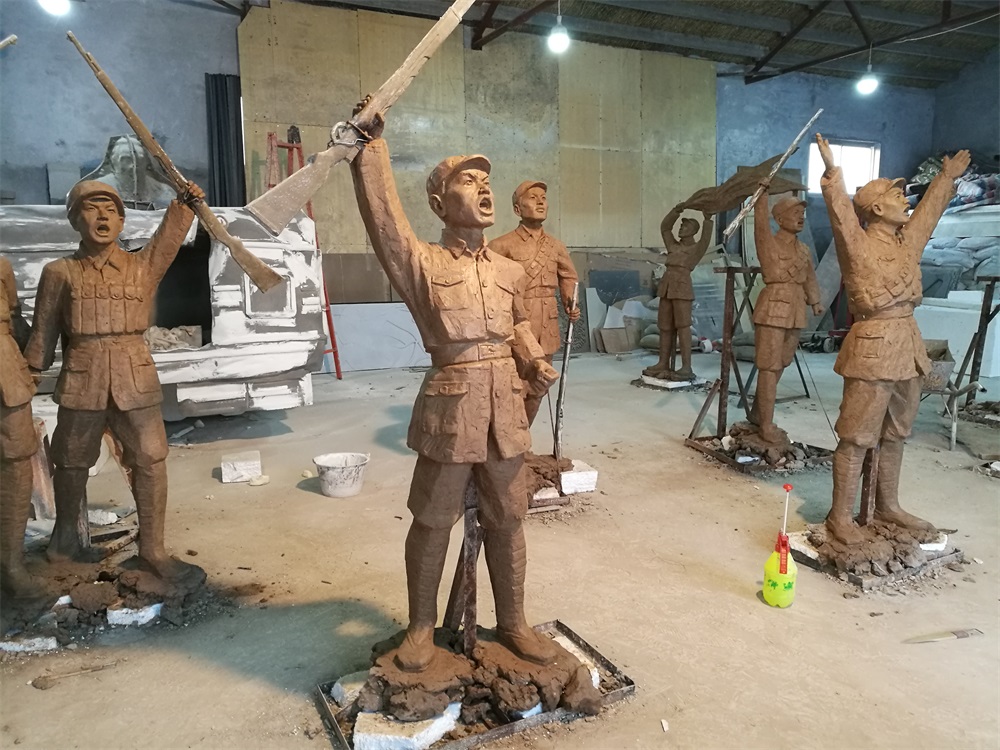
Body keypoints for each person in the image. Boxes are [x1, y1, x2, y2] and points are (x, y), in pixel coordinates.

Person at [350, 102, 559, 672]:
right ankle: (421, 627)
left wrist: (533, 358)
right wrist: (370, 151)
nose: (483, 188)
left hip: (505, 407)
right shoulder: (422, 263)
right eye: (468, 181)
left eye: (486, 181)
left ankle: (514, 623)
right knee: (433, 518)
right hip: (452, 406)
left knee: (509, 518)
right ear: (440, 204)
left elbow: (517, 324)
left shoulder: (508, 269)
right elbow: (386, 222)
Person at [24, 179, 207, 586]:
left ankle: (153, 550)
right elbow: (43, 335)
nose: (103, 216)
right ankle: (64, 544)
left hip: (134, 378)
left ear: (122, 221)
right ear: (75, 220)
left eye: (111, 210)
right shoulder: (59, 273)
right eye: (91, 209)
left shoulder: (141, 267)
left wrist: (184, 205)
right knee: (71, 462)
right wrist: (24, 380)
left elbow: (166, 242)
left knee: (150, 459)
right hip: (82, 379)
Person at [816, 133, 970, 545]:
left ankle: (888, 505)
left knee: (897, 431)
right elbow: (842, 219)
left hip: (907, 344)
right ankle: (840, 517)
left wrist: (946, 178)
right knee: (857, 435)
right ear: (877, 208)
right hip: (873, 345)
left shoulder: (906, 245)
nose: (906, 200)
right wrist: (832, 172)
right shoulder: (859, 246)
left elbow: (928, 215)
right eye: (897, 195)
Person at [490, 180, 579, 424]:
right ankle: (507, 436)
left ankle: (523, 435)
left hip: (547, 324)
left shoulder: (556, 246)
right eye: (532, 197)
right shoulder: (501, 245)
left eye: (543, 198)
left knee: (540, 385)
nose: (540, 202)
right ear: (517, 209)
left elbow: (568, 277)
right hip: (516, 323)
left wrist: (570, 302)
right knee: (514, 383)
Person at [749, 187, 822, 443]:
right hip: (773, 307)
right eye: (795, 213)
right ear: (779, 219)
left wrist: (815, 300)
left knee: (782, 362)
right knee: (768, 366)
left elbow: (809, 276)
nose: (801, 217)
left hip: (795, 308)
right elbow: (760, 225)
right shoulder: (769, 242)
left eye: (802, 213)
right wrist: (761, 196)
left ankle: (757, 413)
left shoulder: (803, 250)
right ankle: (766, 425)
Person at [0, 256, 39, 597]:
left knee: (18, 461)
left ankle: (11, 563)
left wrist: (36, 358)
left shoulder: (1, 267)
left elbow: (15, 318)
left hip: (6, 371)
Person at [643, 204, 714, 381]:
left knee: (683, 327)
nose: (681, 228)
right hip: (667, 286)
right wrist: (676, 211)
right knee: (664, 326)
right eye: (681, 225)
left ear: (693, 231)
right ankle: (663, 363)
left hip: (682, 287)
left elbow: (706, 238)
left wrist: (707, 219)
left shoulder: (695, 249)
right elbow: (665, 228)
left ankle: (686, 366)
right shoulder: (673, 246)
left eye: (685, 226)